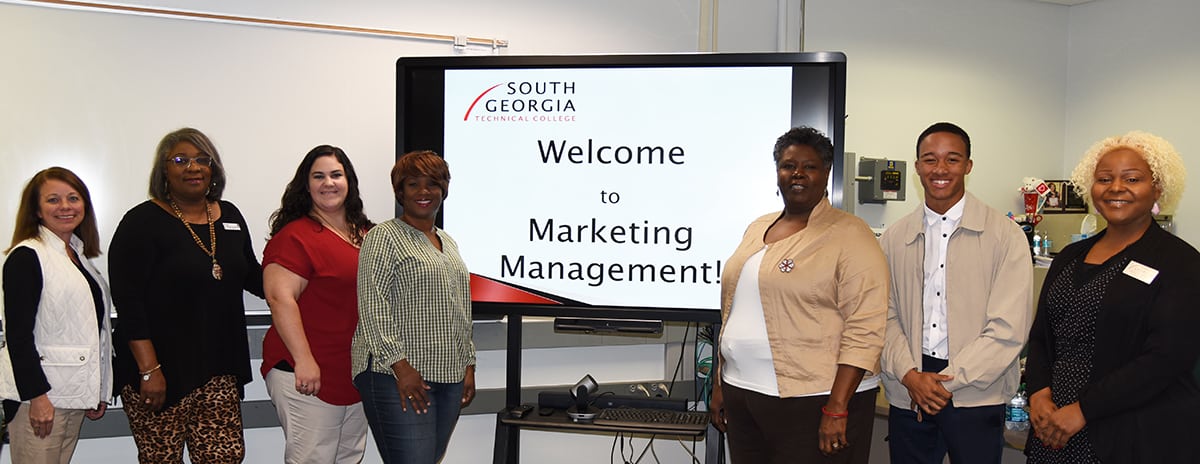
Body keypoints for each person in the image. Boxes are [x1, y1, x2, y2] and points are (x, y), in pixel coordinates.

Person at [708, 127, 889, 463]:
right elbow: (735, 312)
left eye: (810, 166)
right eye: (789, 165)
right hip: (743, 393)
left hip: (814, 398)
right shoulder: (757, 227)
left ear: (826, 173)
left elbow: (866, 328)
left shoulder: (851, 234)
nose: (798, 174)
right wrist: (721, 384)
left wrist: (836, 408)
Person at [1024, 131, 1200, 463]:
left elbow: (1166, 358)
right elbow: (1042, 337)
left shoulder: (1180, 263)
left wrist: (1083, 410)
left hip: (1131, 432)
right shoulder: (1070, 257)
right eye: (1104, 179)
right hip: (1053, 428)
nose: (1116, 188)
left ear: (1158, 188)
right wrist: (1038, 394)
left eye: (1132, 179)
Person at [879, 122, 1033, 464]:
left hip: (977, 391)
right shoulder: (894, 237)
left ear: (968, 165)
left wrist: (947, 383)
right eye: (930, 160)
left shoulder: (1005, 236)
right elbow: (884, 317)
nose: (940, 169)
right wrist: (909, 375)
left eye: (952, 159)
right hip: (911, 389)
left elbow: (1009, 329)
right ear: (917, 166)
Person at [108, 127, 264, 463]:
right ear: (164, 170)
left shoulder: (230, 215)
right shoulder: (140, 222)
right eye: (180, 160)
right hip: (160, 371)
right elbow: (129, 303)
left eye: (201, 159)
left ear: (213, 168)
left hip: (219, 369)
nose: (192, 167)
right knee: (161, 459)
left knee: (225, 457)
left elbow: (253, 275)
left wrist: (305, 280)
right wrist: (149, 370)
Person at [352, 150, 476, 463]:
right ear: (399, 191)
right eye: (413, 184)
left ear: (444, 190)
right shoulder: (383, 237)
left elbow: (460, 308)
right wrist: (400, 366)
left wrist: (468, 364)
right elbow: (372, 305)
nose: (424, 192)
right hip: (394, 375)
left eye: (433, 184)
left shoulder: (447, 242)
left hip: (449, 375)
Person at [261, 145, 374, 463]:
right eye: (319, 176)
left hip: (352, 373)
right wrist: (304, 360)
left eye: (336, 175)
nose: (329, 183)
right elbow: (279, 298)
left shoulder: (365, 234)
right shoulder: (295, 236)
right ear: (306, 184)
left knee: (348, 456)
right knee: (313, 458)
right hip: (307, 372)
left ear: (348, 181)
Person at [1, 167, 112, 463]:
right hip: (40, 401)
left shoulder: (77, 255)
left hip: (70, 395)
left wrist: (98, 389)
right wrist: (37, 397)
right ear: (36, 210)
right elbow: (19, 336)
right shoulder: (28, 256)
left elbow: (92, 330)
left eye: (73, 198)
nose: (65, 207)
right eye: (53, 200)